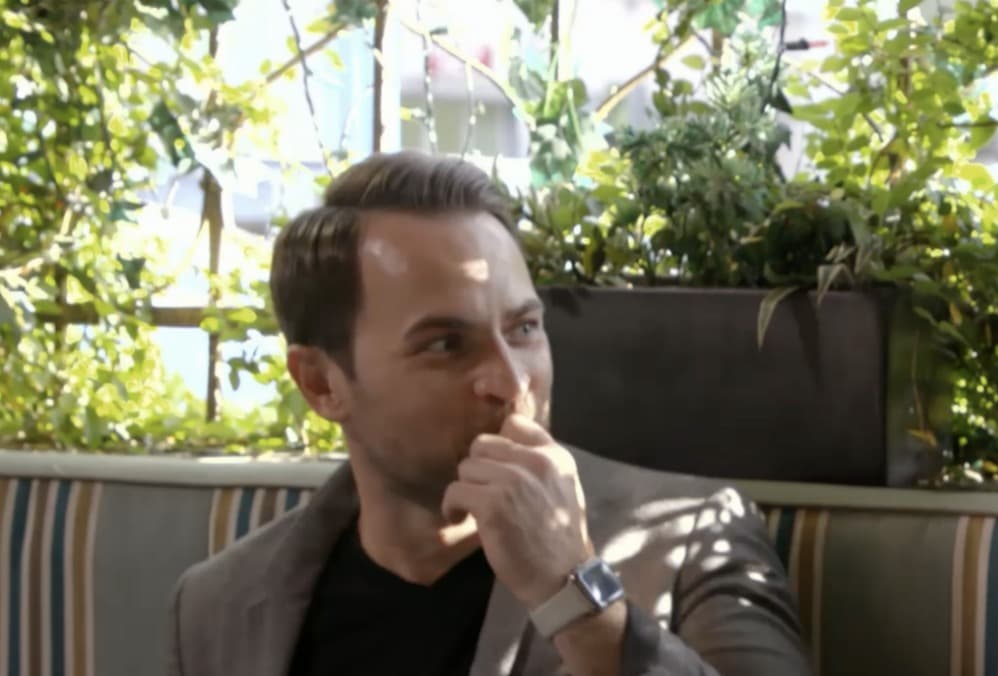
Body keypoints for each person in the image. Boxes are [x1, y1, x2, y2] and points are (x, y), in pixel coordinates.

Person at [165, 152, 812, 676]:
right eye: (446, 345)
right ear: (321, 383)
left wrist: (578, 600)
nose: (512, 381)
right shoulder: (218, 604)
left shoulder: (686, 537)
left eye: (524, 329)